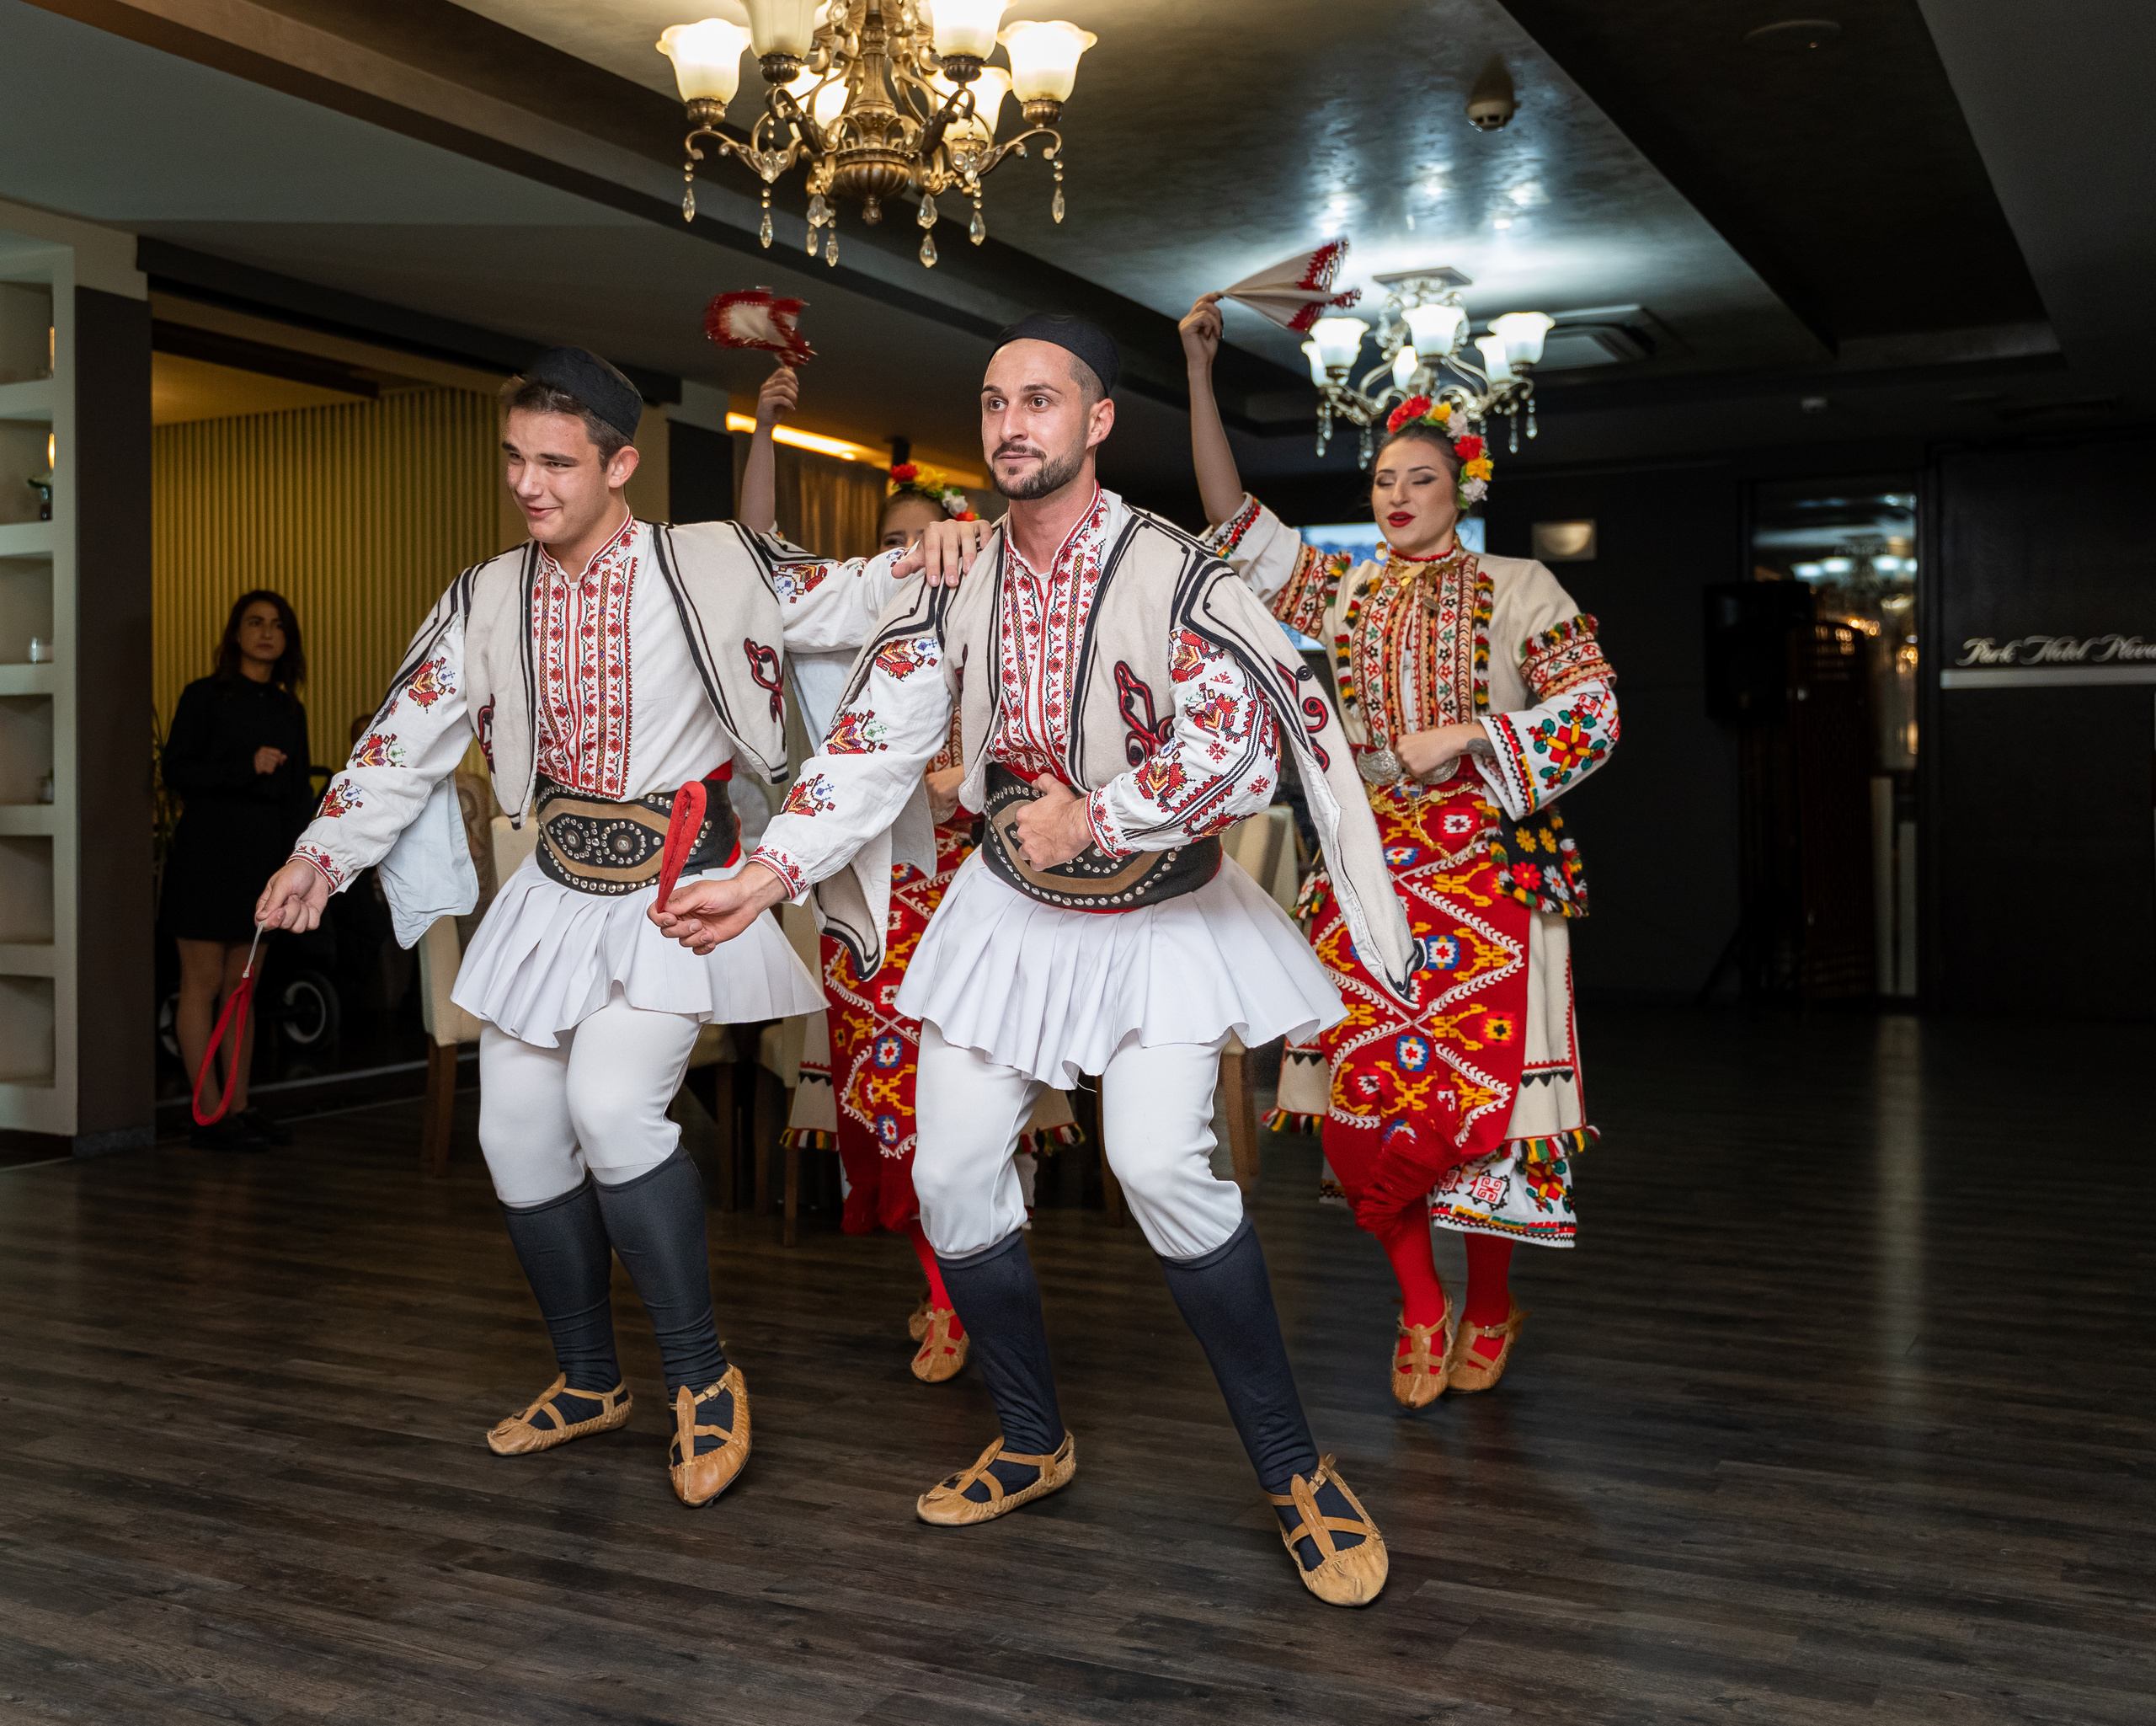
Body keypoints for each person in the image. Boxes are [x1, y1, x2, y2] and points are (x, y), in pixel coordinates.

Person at [655, 313, 1417, 1607]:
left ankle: (1293, 1468)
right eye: (997, 402)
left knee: (1160, 1162)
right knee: (952, 1172)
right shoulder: (950, 575)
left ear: (1097, 423)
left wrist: (1098, 815)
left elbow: (1239, 742)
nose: (1013, 423)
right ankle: (1029, 1433)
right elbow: (877, 739)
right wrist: (769, 873)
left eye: (1042, 402)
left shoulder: (1178, 569)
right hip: (1009, 910)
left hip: (1165, 914)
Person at [253, 347, 921, 1510]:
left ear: (621, 463)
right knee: (515, 1141)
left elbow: (855, 598)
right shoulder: (484, 595)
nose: (528, 482)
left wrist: (938, 552)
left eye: (555, 461)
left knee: (613, 1110)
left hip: (684, 890)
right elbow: (403, 735)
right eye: (513, 457)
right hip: (557, 892)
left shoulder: (708, 563)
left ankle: (704, 1377)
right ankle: (588, 1376)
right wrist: (322, 853)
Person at [1180, 291, 1620, 1408]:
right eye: (1382, 480)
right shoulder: (1349, 590)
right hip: (1373, 874)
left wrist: (1474, 732)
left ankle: (1495, 1296)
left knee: (1488, 1110)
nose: (1397, 496)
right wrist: (1199, 374)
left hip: (1488, 874)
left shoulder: (1521, 587)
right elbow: (1232, 518)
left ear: (1462, 488)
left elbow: (1600, 710)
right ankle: (1420, 1302)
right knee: (1373, 1106)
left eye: (1420, 478)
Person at [160, 590, 314, 1151]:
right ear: (236, 632)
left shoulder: (288, 708)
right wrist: (244, 766)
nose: (266, 632)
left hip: (261, 861)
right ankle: (205, 1111)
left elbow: (296, 792)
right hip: (206, 856)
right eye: (255, 622)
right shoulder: (203, 696)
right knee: (200, 985)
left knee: (241, 986)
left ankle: (239, 1105)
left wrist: (306, 861)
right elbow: (177, 768)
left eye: (276, 624)